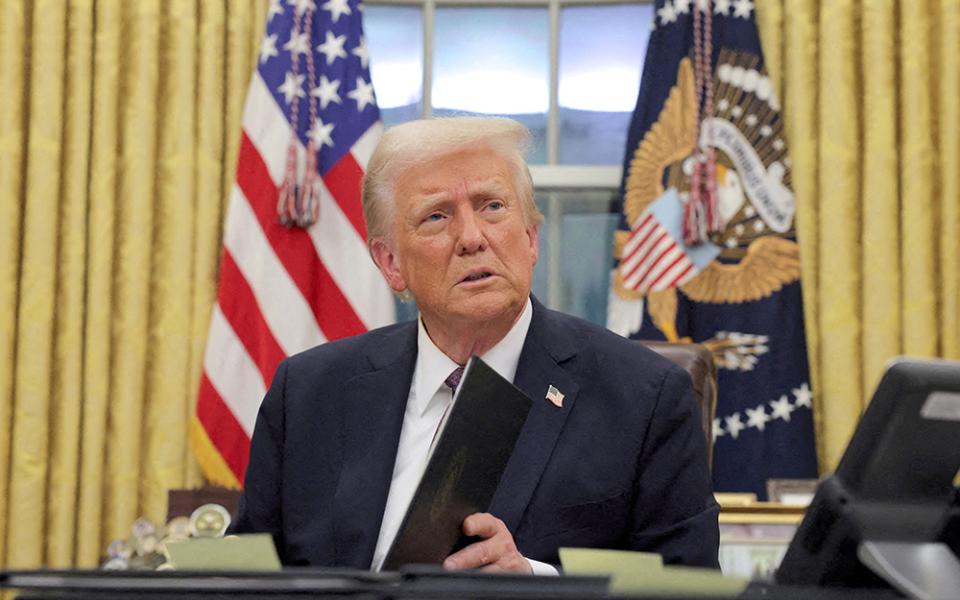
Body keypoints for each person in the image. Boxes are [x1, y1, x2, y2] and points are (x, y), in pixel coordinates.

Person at [231, 117, 720, 573]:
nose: (471, 237)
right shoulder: (310, 394)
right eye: (436, 217)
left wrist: (537, 582)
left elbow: (681, 585)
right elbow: (250, 572)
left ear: (531, 237)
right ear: (390, 263)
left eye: (492, 206)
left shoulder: (644, 398)